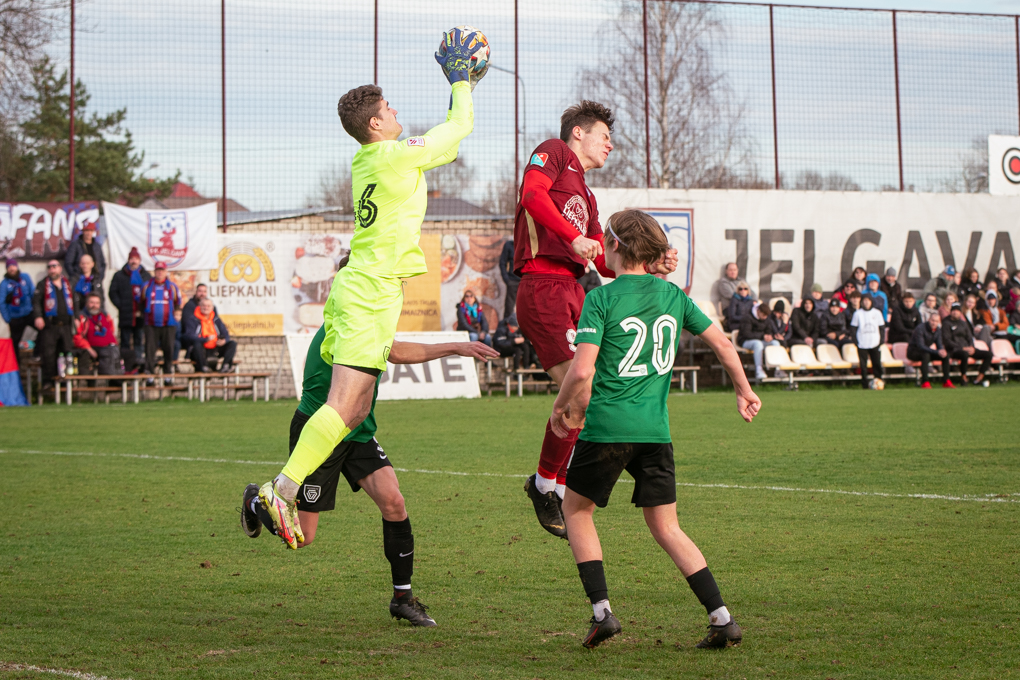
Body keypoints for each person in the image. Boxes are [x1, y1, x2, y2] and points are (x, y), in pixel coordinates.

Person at [257, 31, 482, 548]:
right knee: (344, 404)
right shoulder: (393, 156)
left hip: (365, 290)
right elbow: (459, 127)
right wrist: (460, 82)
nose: (396, 111)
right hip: (368, 291)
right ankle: (280, 490)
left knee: (356, 410)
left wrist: (465, 89)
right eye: (389, 107)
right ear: (375, 123)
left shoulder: (376, 159)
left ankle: (277, 491)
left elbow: (448, 146)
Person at [547, 209, 760, 649]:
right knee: (667, 527)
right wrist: (744, 390)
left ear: (614, 246)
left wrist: (560, 405)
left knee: (576, 511)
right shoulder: (672, 295)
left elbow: (582, 370)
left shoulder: (601, 298)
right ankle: (721, 618)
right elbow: (722, 343)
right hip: (655, 432)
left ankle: (602, 613)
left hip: (608, 429)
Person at [240, 319, 498, 626]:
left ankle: (402, 598)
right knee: (304, 536)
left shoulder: (367, 320)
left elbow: (392, 349)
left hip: (358, 431)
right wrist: (456, 346)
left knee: (394, 502)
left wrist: (457, 347)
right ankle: (254, 501)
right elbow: (394, 352)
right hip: (320, 433)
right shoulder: (344, 324)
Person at [513, 100, 678, 538]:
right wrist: (573, 237)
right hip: (543, 286)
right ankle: (546, 486)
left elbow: (606, 261)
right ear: (578, 133)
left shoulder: (586, 195)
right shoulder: (553, 151)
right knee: (582, 392)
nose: (610, 144)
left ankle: (555, 485)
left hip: (572, 289)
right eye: (604, 135)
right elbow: (531, 197)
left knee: (591, 394)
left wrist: (653, 264)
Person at [31, 259, 75, 387]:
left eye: (54, 266)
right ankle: (48, 381)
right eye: (49, 267)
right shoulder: (42, 285)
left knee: (66, 352)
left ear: (60, 268)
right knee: (48, 354)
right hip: (50, 325)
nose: (52, 269)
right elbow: (36, 302)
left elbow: (75, 302)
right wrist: (38, 316)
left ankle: (65, 381)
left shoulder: (68, 284)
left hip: (66, 325)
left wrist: (76, 317)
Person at [108, 247, 151, 368]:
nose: (134, 261)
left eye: (136, 259)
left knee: (139, 340)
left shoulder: (145, 276)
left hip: (140, 314)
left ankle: (138, 363)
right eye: (132, 258)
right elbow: (112, 292)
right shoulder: (119, 275)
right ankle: (126, 365)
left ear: (139, 260)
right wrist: (121, 305)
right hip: (126, 314)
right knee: (125, 340)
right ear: (128, 260)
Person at [141, 262, 182, 387]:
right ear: (154, 271)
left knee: (168, 349)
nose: (160, 272)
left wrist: (176, 314)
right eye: (158, 270)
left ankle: (168, 376)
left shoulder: (172, 287)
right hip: (151, 324)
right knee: (150, 350)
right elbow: (141, 302)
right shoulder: (147, 286)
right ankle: (150, 377)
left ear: (166, 271)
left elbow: (177, 303)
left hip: (168, 324)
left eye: (162, 270)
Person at [942, 302, 992, 387]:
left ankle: (979, 377)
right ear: (950, 312)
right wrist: (962, 348)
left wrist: (972, 347)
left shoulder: (963, 323)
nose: (955, 312)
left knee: (988, 354)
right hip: (954, 350)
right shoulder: (946, 323)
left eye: (957, 311)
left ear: (960, 312)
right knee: (964, 354)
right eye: (953, 310)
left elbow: (969, 337)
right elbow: (947, 340)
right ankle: (964, 377)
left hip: (967, 348)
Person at [73, 293, 120, 377]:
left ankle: (118, 380)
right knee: (107, 355)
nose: (94, 305)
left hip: (109, 347)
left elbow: (111, 331)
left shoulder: (105, 315)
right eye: (92, 302)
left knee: (127, 354)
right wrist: (89, 349)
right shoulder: (82, 317)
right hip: (92, 348)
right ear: (86, 303)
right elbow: (77, 337)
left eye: (97, 303)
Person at [183, 298, 236, 373]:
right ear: (199, 306)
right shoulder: (193, 319)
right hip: (201, 349)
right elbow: (189, 336)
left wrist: (224, 341)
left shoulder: (216, 320)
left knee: (232, 343)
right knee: (197, 344)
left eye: (208, 306)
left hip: (215, 347)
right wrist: (205, 339)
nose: (206, 308)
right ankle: (204, 367)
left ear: (212, 308)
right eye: (204, 305)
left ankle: (226, 366)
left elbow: (225, 333)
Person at [1, 258, 35, 356]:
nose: (12, 268)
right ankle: (16, 364)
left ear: (17, 266)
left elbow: (33, 294)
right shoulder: (4, 284)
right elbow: (1, 303)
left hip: (28, 313)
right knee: (14, 344)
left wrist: (36, 312)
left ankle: (37, 353)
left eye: (13, 266)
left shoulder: (25, 277)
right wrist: (8, 319)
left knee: (44, 330)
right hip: (15, 317)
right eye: (9, 267)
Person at [851, 294, 885, 390]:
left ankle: (879, 382)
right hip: (862, 343)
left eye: (868, 301)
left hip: (875, 342)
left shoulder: (877, 313)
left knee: (876, 364)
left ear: (871, 302)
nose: (866, 303)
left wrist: (881, 341)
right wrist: (856, 341)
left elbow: (881, 327)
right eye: (864, 301)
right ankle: (864, 385)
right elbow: (853, 328)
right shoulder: (858, 314)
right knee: (863, 366)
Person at [907, 313, 947, 389]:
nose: (934, 323)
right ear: (929, 320)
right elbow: (921, 346)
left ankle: (946, 381)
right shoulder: (920, 328)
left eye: (936, 321)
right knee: (926, 355)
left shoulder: (938, 330)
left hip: (926, 351)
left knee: (945, 356)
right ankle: (925, 381)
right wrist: (937, 352)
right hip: (913, 352)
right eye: (932, 320)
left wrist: (942, 350)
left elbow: (939, 344)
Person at [739, 303, 777, 382]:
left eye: (766, 316)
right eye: (763, 315)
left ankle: (778, 369)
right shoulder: (748, 317)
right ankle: (759, 369)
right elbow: (747, 334)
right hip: (745, 341)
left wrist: (769, 336)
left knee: (775, 343)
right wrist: (763, 336)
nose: (765, 317)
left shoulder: (766, 319)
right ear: (758, 311)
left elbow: (768, 330)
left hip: (760, 340)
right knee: (758, 344)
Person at [498, 238, 520, 318]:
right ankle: (506, 325)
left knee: (527, 309)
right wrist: (507, 280)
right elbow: (502, 262)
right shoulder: (509, 245)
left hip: (526, 281)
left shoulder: (529, 244)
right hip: (513, 281)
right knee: (509, 310)